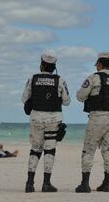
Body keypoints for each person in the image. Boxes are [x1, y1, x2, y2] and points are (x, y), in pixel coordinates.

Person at [75, 52, 109, 193]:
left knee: (88, 151)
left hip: (98, 118)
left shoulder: (94, 78)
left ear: (99, 64)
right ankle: (107, 184)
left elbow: (80, 96)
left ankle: (85, 184)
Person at [22, 52, 71, 193]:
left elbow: (24, 98)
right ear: (54, 67)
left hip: (36, 117)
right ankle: (46, 183)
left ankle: (30, 183)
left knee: (35, 149)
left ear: (42, 65)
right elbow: (67, 102)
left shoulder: (33, 78)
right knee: (50, 149)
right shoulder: (60, 80)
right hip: (54, 119)